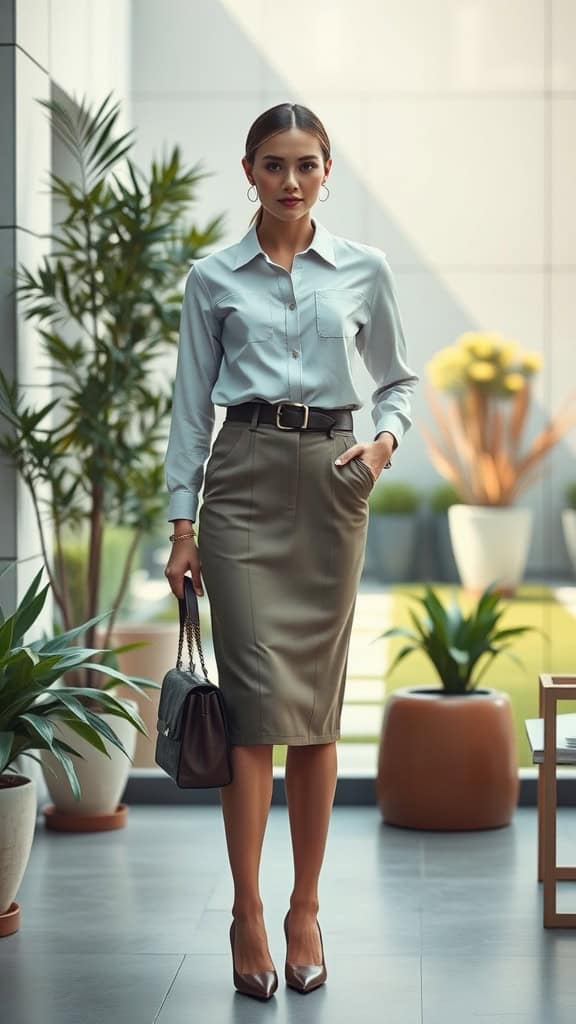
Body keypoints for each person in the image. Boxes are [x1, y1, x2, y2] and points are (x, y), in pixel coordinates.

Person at [163, 101, 418, 1000]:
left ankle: (305, 909)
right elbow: (190, 408)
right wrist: (181, 527)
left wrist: (384, 444)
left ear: (327, 170)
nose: (290, 181)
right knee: (253, 714)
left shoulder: (364, 269)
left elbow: (396, 380)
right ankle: (247, 909)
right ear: (249, 171)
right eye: (273, 165)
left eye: (306, 164)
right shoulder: (212, 278)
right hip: (240, 483)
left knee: (315, 712)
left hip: (332, 478)